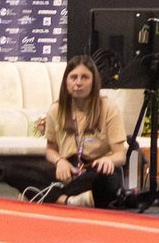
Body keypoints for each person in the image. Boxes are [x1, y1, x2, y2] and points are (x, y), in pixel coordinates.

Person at [32, 55, 124, 205]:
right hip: (66, 169)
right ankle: (67, 200)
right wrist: (60, 161)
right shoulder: (56, 109)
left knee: (111, 180)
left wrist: (109, 159)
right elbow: (50, 149)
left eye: (84, 78)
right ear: (66, 83)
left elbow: (120, 154)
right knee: (12, 172)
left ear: (93, 82)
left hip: (93, 168)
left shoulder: (108, 108)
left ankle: (43, 194)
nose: (78, 83)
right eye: (73, 77)